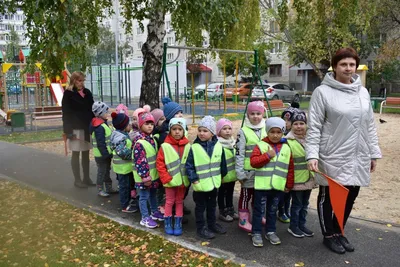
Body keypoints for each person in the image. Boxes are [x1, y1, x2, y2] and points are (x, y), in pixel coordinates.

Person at [306, 47, 382, 254]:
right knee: (330, 196)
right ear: (335, 66)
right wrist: (312, 154)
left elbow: (369, 125)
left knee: (350, 194)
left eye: (352, 64)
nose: (348, 68)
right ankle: (328, 235)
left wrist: (373, 153)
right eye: (344, 64)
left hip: (358, 153)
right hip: (332, 153)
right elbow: (314, 126)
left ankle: (339, 231)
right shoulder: (323, 92)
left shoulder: (363, 92)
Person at [250, 117, 294, 247]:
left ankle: (270, 231)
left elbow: (290, 168)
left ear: (283, 132)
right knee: (259, 211)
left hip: (277, 187)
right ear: (267, 132)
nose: (275, 135)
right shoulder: (261, 146)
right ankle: (256, 232)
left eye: (278, 132)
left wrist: (289, 184)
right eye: (272, 132)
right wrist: (267, 156)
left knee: (272, 211)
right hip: (261, 187)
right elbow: (254, 162)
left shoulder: (286, 148)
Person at [186, 116, 228, 239]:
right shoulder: (194, 147)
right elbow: (189, 166)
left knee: (212, 205)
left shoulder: (218, 146)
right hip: (200, 184)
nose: (201, 133)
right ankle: (201, 228)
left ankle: (212, 224)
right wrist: (194, 179)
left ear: (212, 133)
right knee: (200, 207)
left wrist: (222, 175)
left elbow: (222, 163)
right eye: (200, 130)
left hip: (214, 183)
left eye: (205, 131)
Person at [235, 101, 267, 232]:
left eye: (258, 113)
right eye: (252, 114)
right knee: (246, 195)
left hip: (263, 170)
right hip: (248, 171)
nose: (255, 116)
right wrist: (240, 172)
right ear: (248, 115)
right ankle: (243, 220)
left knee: (259, 195)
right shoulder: (243, 131)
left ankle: (258, 216)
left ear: (263, 114)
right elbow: (239, 153)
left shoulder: (267, 129)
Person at [156, 118, 190, 236]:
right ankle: (168, 222)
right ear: (169, 131)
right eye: (174, 129)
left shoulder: (188, 146)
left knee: (179, 201)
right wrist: (166, 178)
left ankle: (178, 222)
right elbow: (160, 164)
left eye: (180, 129)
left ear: (184, 131)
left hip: (182, 181)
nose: (177, 132)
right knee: (169, 201)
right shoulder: (165, 146)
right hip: (170, 181)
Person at [62, 71, 94, 188]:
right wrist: (68, 131)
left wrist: (94, 125)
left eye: (83, 80)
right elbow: (66, 113)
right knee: (76, 153)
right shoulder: (68, 94)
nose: (81, 83)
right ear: (74, 80)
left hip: (86, 127)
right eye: (79, 80)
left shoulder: (87, 93)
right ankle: (77, 180)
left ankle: (86, 178)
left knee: (86, 153)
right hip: (75, 128)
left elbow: (92, 110)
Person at [286, 111, 315, 238]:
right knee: (297, 204)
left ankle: (302, 224)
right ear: (291, 125)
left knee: (305, 204)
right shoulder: (288, 141)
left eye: (302, 123)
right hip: (296, 180)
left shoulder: (310, 139)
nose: (299, 126)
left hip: (308, 179)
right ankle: (293, 226)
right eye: (296, 124)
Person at [133, 112, 164, 228]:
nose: (150, 126)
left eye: (151, 124)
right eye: (147, 124)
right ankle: (145, 217)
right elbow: (140, 162)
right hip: (144, 178)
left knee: (153, 194)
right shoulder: (140, 143)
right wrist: (145, 177)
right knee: (144, 196)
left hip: (153, 176)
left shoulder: (152, 139)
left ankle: (154, 211)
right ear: (141, 125)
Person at [110, 111, 138, 213]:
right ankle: (125, 205)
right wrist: (133, 152)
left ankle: (129, 200)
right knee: (124, 187)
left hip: (125, 168)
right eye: (128, 124)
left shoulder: (122, 135)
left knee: (127, 185)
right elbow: (122, 152)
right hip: (122, 168)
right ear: (123, 126)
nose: (130, 125)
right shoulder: (119, 138)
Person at [90, 101, 118, 197]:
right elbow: (100, 143)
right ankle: (100, 189)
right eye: (106, 112)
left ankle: (108, 188)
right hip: (102, 155)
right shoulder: (99, 127)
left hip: (106, 154)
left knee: (106, 171)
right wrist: (105, 154)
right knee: (102, 172)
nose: (108, 114)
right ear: (100, 113)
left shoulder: (103, 124)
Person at [216, 118, 239, 222]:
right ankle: (222, 211)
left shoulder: (233, 142)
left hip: (232, 175)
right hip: (223, 176)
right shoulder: (218, 144)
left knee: (230, 192)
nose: (227, 131)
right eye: (224, 128)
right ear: (219, 131)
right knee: (222, 193)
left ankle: (230, 209)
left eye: (229, 128)